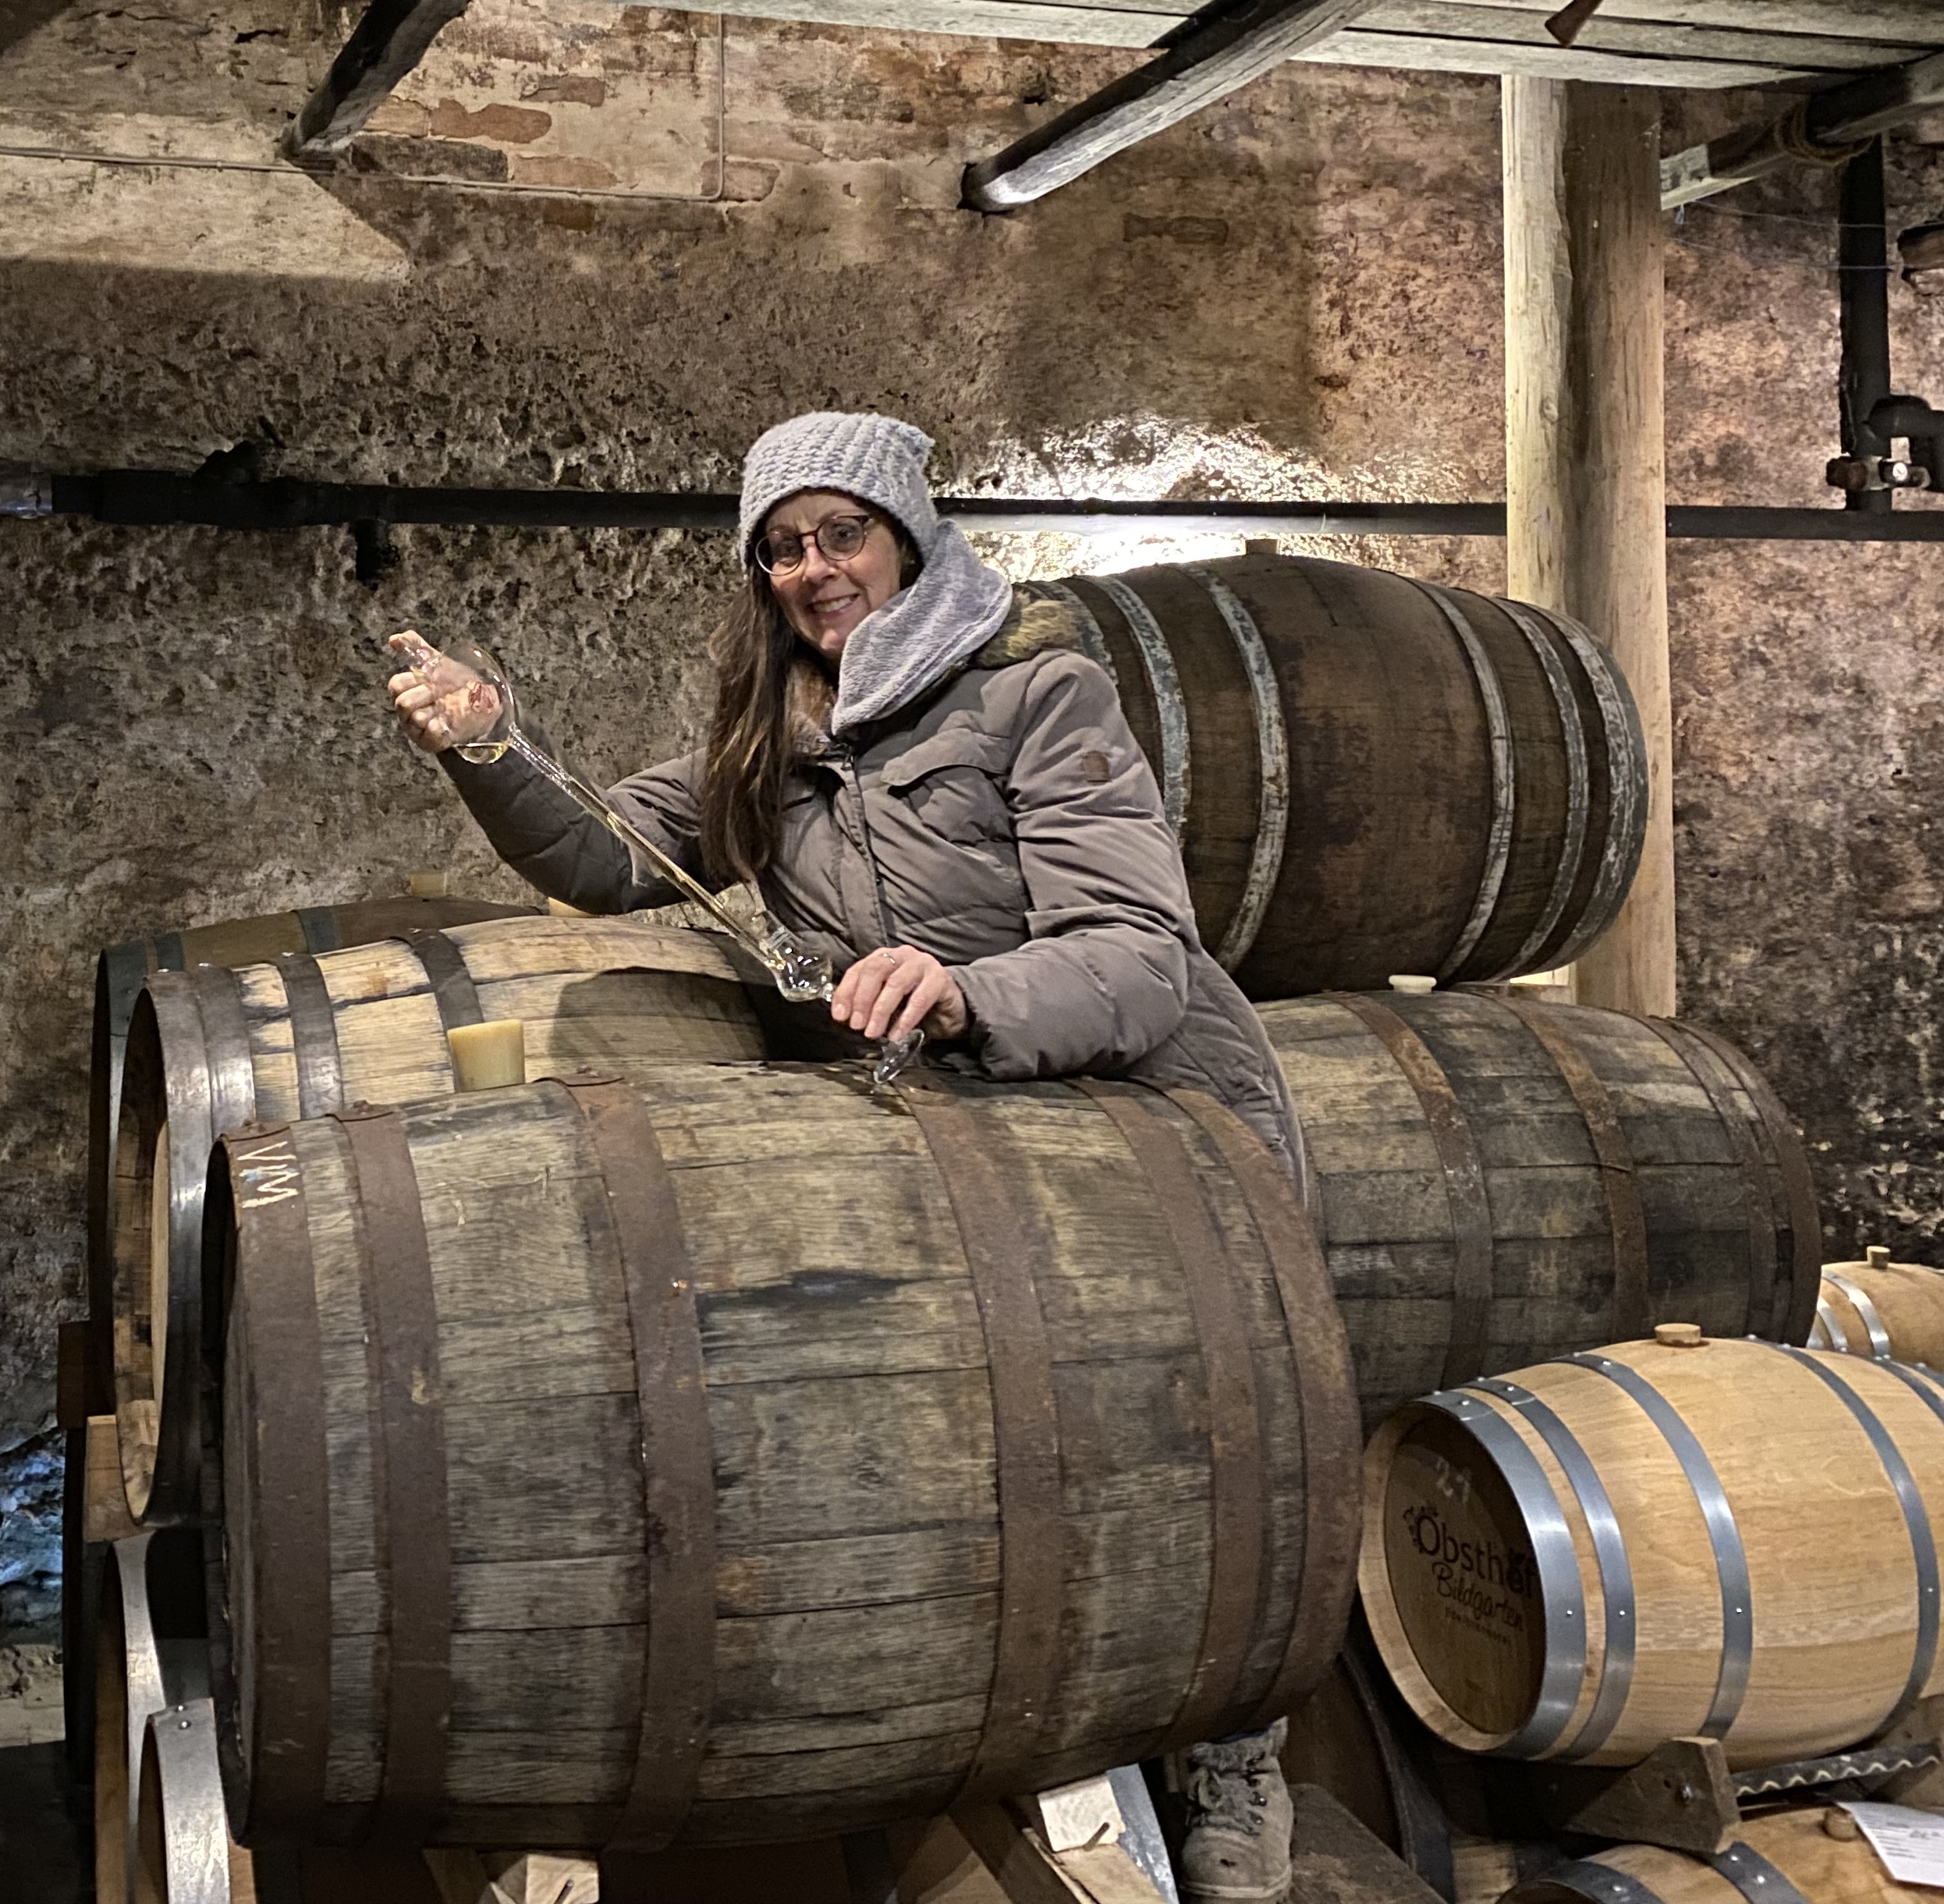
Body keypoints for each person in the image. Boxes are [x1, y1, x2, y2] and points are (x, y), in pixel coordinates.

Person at [386, 409, 1300, 1901]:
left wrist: (963, 989)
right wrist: (491, 747)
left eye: (842, 534)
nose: (815, 569)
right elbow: (609, 858)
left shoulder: (1035, 693)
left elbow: (1140, 956)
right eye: (783, 548)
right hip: (977, 1131)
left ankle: (1240, 1762)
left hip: (1163, 1113)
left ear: (908, 537)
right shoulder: (773, 734)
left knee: (1220, 1442)